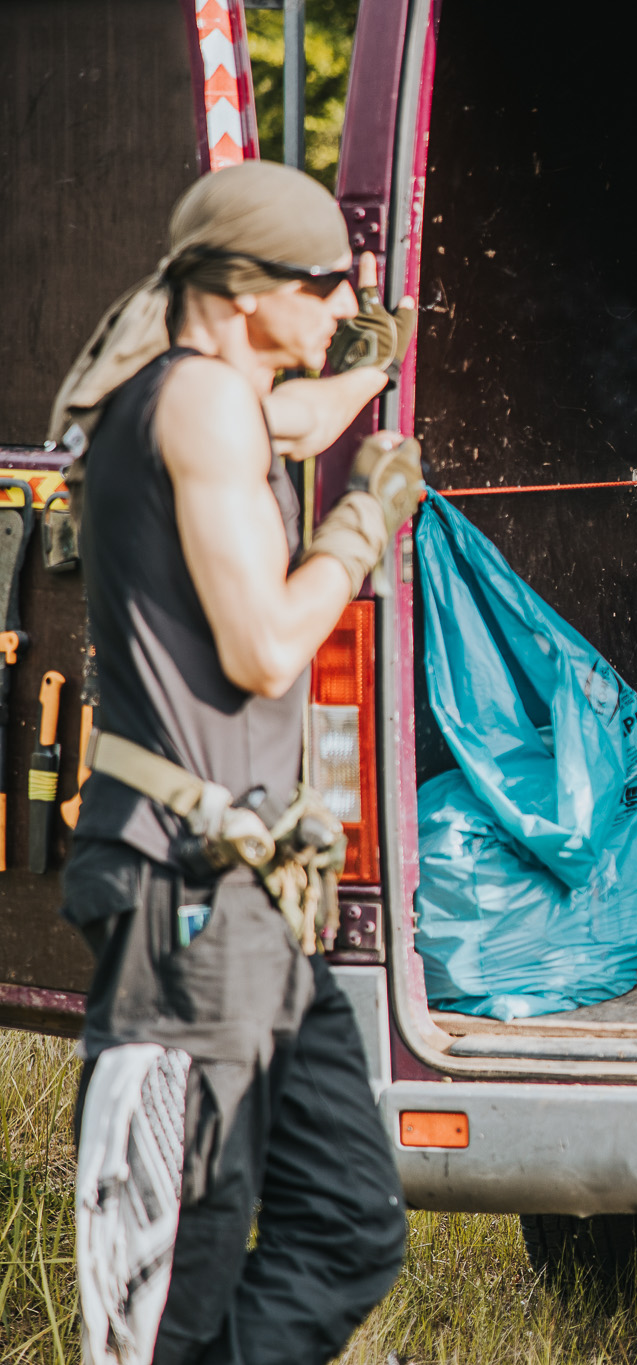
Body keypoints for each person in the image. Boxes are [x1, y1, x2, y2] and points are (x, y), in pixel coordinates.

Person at [50, 161, 424, 1365]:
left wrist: (373, 358)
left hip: (252, 908)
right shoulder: (200, 397)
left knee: (349, 1224)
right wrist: (361, 524)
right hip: (185, 907)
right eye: (323, 289)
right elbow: (265, 647)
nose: (331, 311)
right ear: (246, 288)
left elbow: (304, 416)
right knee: (173, 1283)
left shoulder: (209, 388)